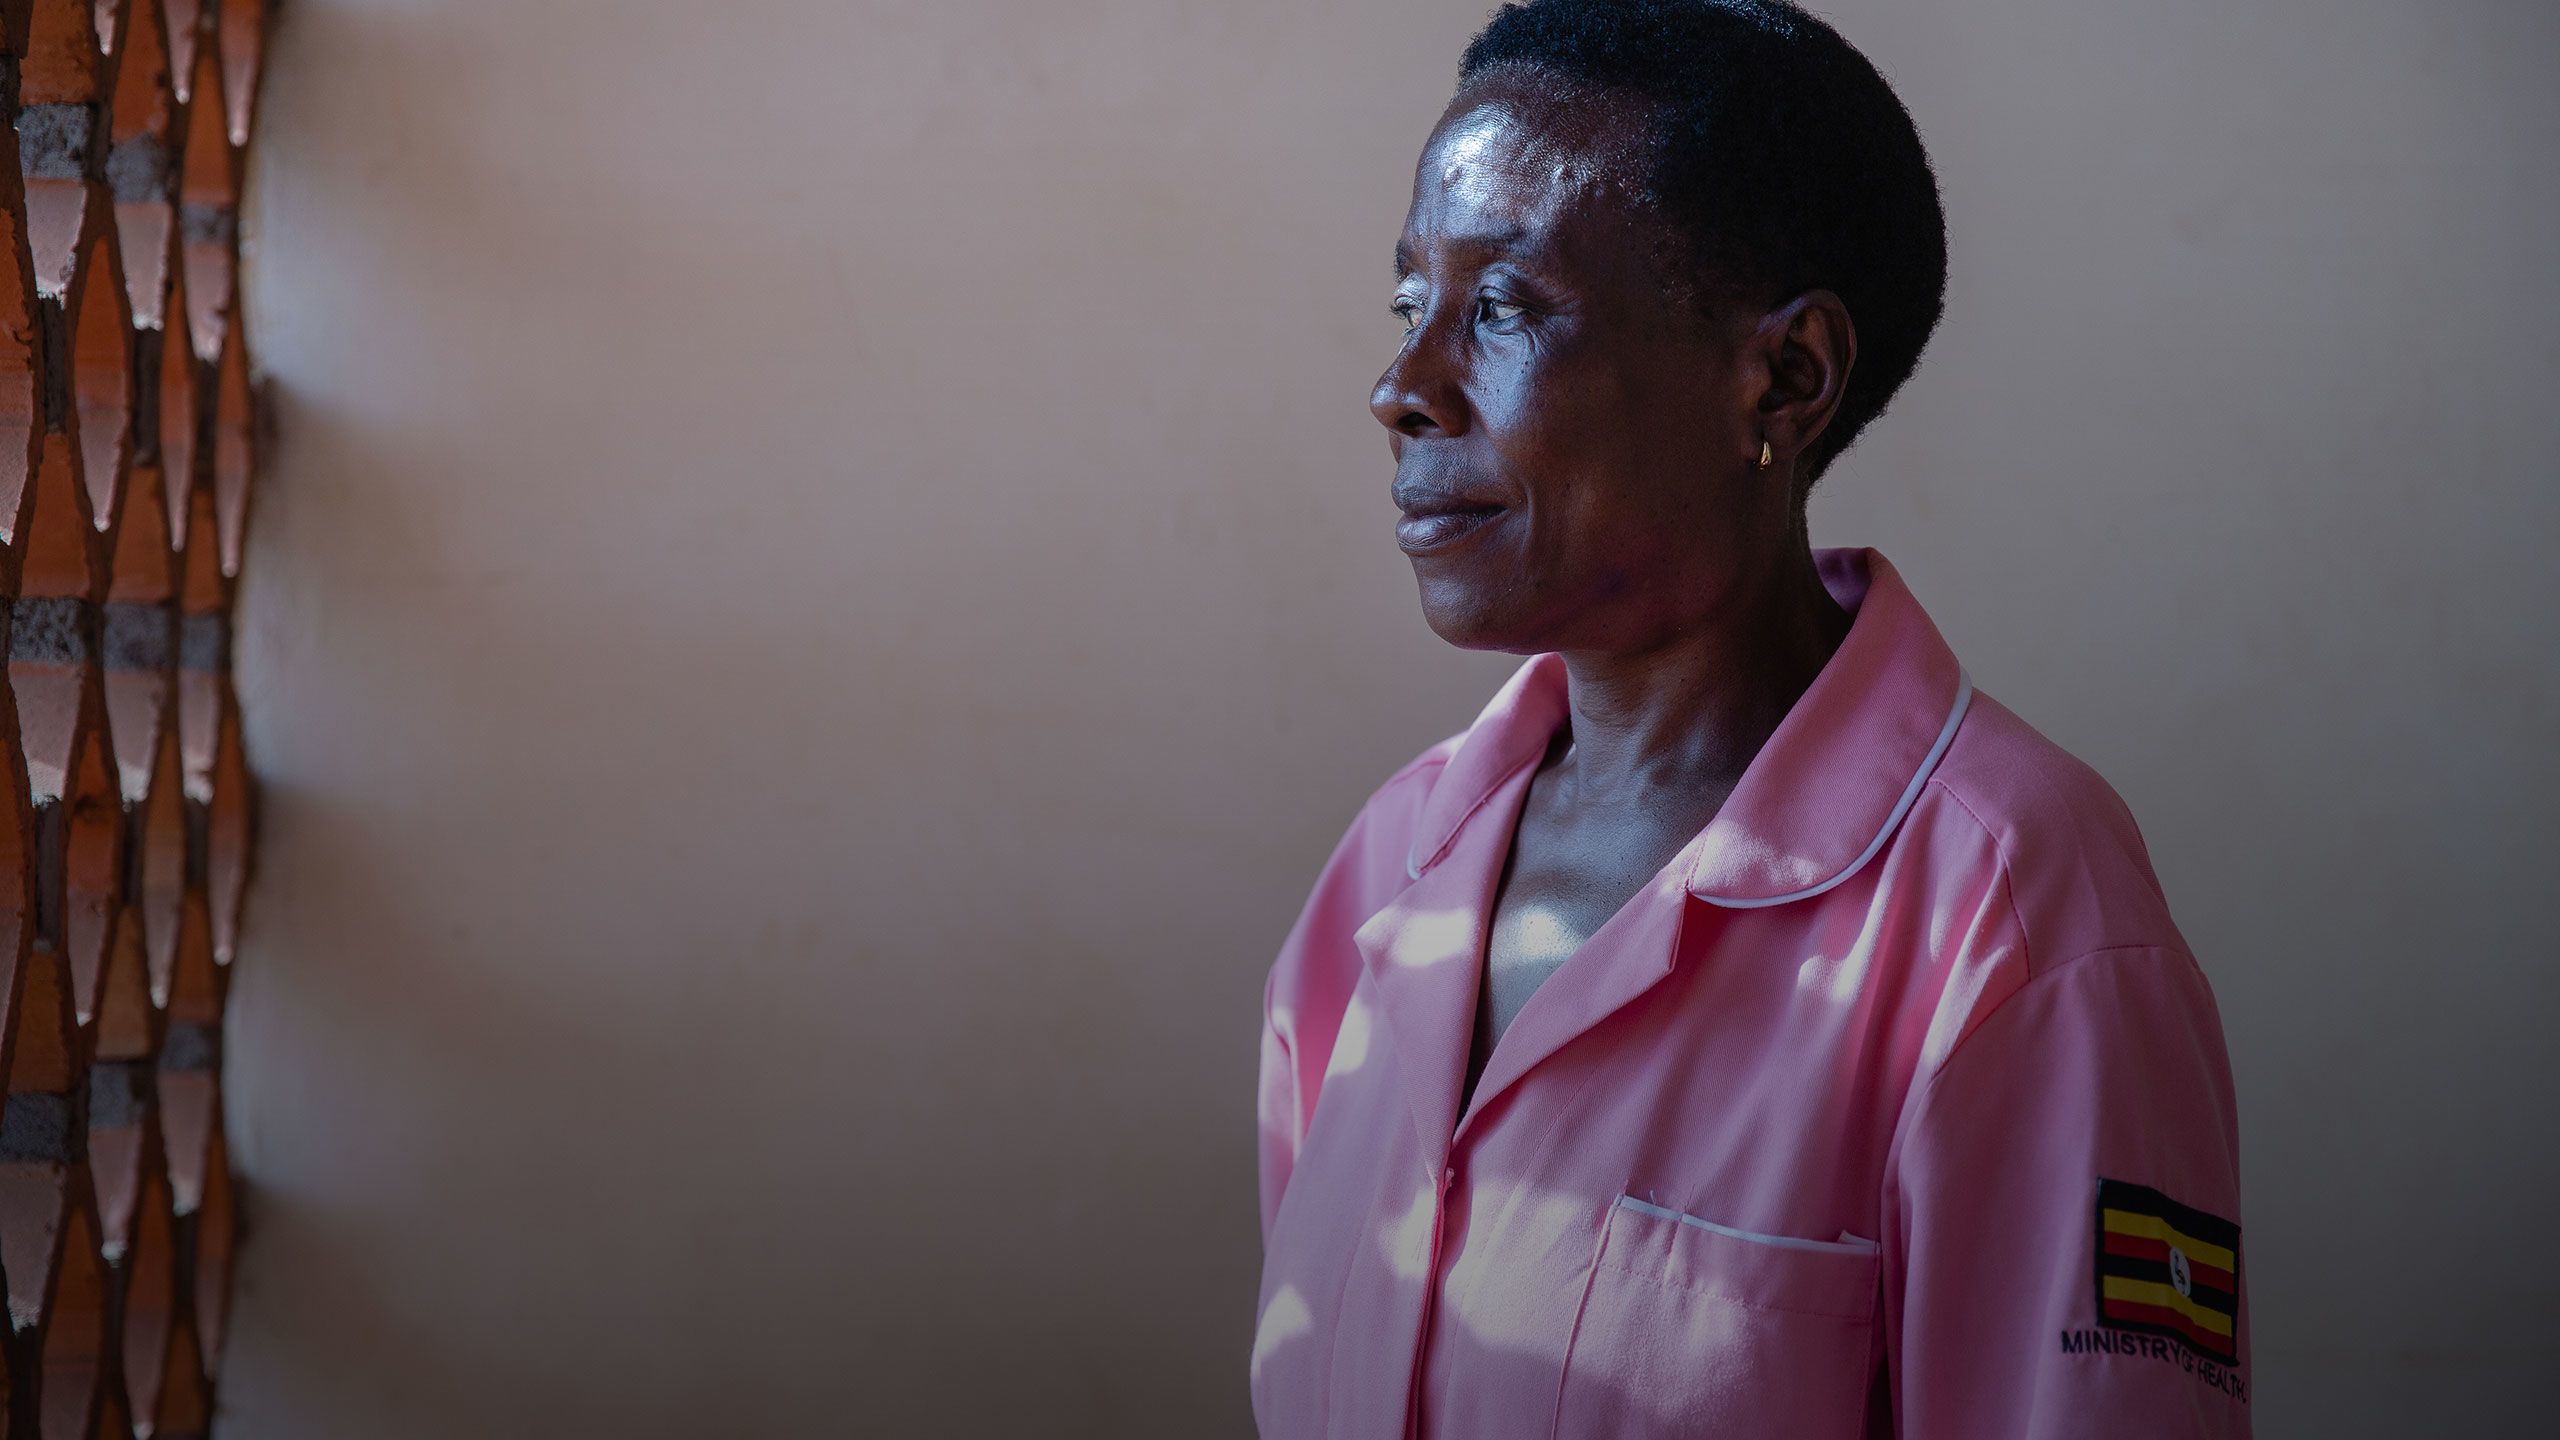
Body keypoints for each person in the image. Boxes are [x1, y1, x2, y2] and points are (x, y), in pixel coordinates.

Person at [1250, 2, 2249, 1436]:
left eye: (1507, 307)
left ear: (1781, 379)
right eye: (1412, 303)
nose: (1401, 389)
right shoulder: (1384, 875)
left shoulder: (2021, 921)